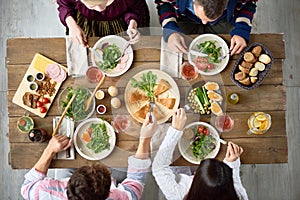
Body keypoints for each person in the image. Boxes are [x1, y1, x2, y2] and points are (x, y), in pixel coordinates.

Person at [21, 113, 158, 200]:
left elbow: (26, 188)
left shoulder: (44, 191)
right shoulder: (121, 197)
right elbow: (136, 182)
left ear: (68, 184)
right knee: (124, 163)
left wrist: (49, 150)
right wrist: (145, 138)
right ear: (108, 193)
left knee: (63, 163)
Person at [152, 108, 248, 200]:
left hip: (177, 173)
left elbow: (158, 168)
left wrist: (175, 130)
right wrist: (232, 163)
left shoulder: (178, 195)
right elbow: (235, 182)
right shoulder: (238, 196)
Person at [155, 0, 258, 55]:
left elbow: (249, 4)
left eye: (208, 19)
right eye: (202, 17)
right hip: (183, 16)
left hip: (226, 17)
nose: (204, 23)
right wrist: (170, 30)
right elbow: (163, 3)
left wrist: (242, 30)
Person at [57, 0, 150, 46]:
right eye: (92, 6)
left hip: (122, 21)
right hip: (88, 23)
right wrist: (71, 24)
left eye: (106, 1)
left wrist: (132, 23)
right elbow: (64, 6)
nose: (101, 9)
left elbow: (136, 8)